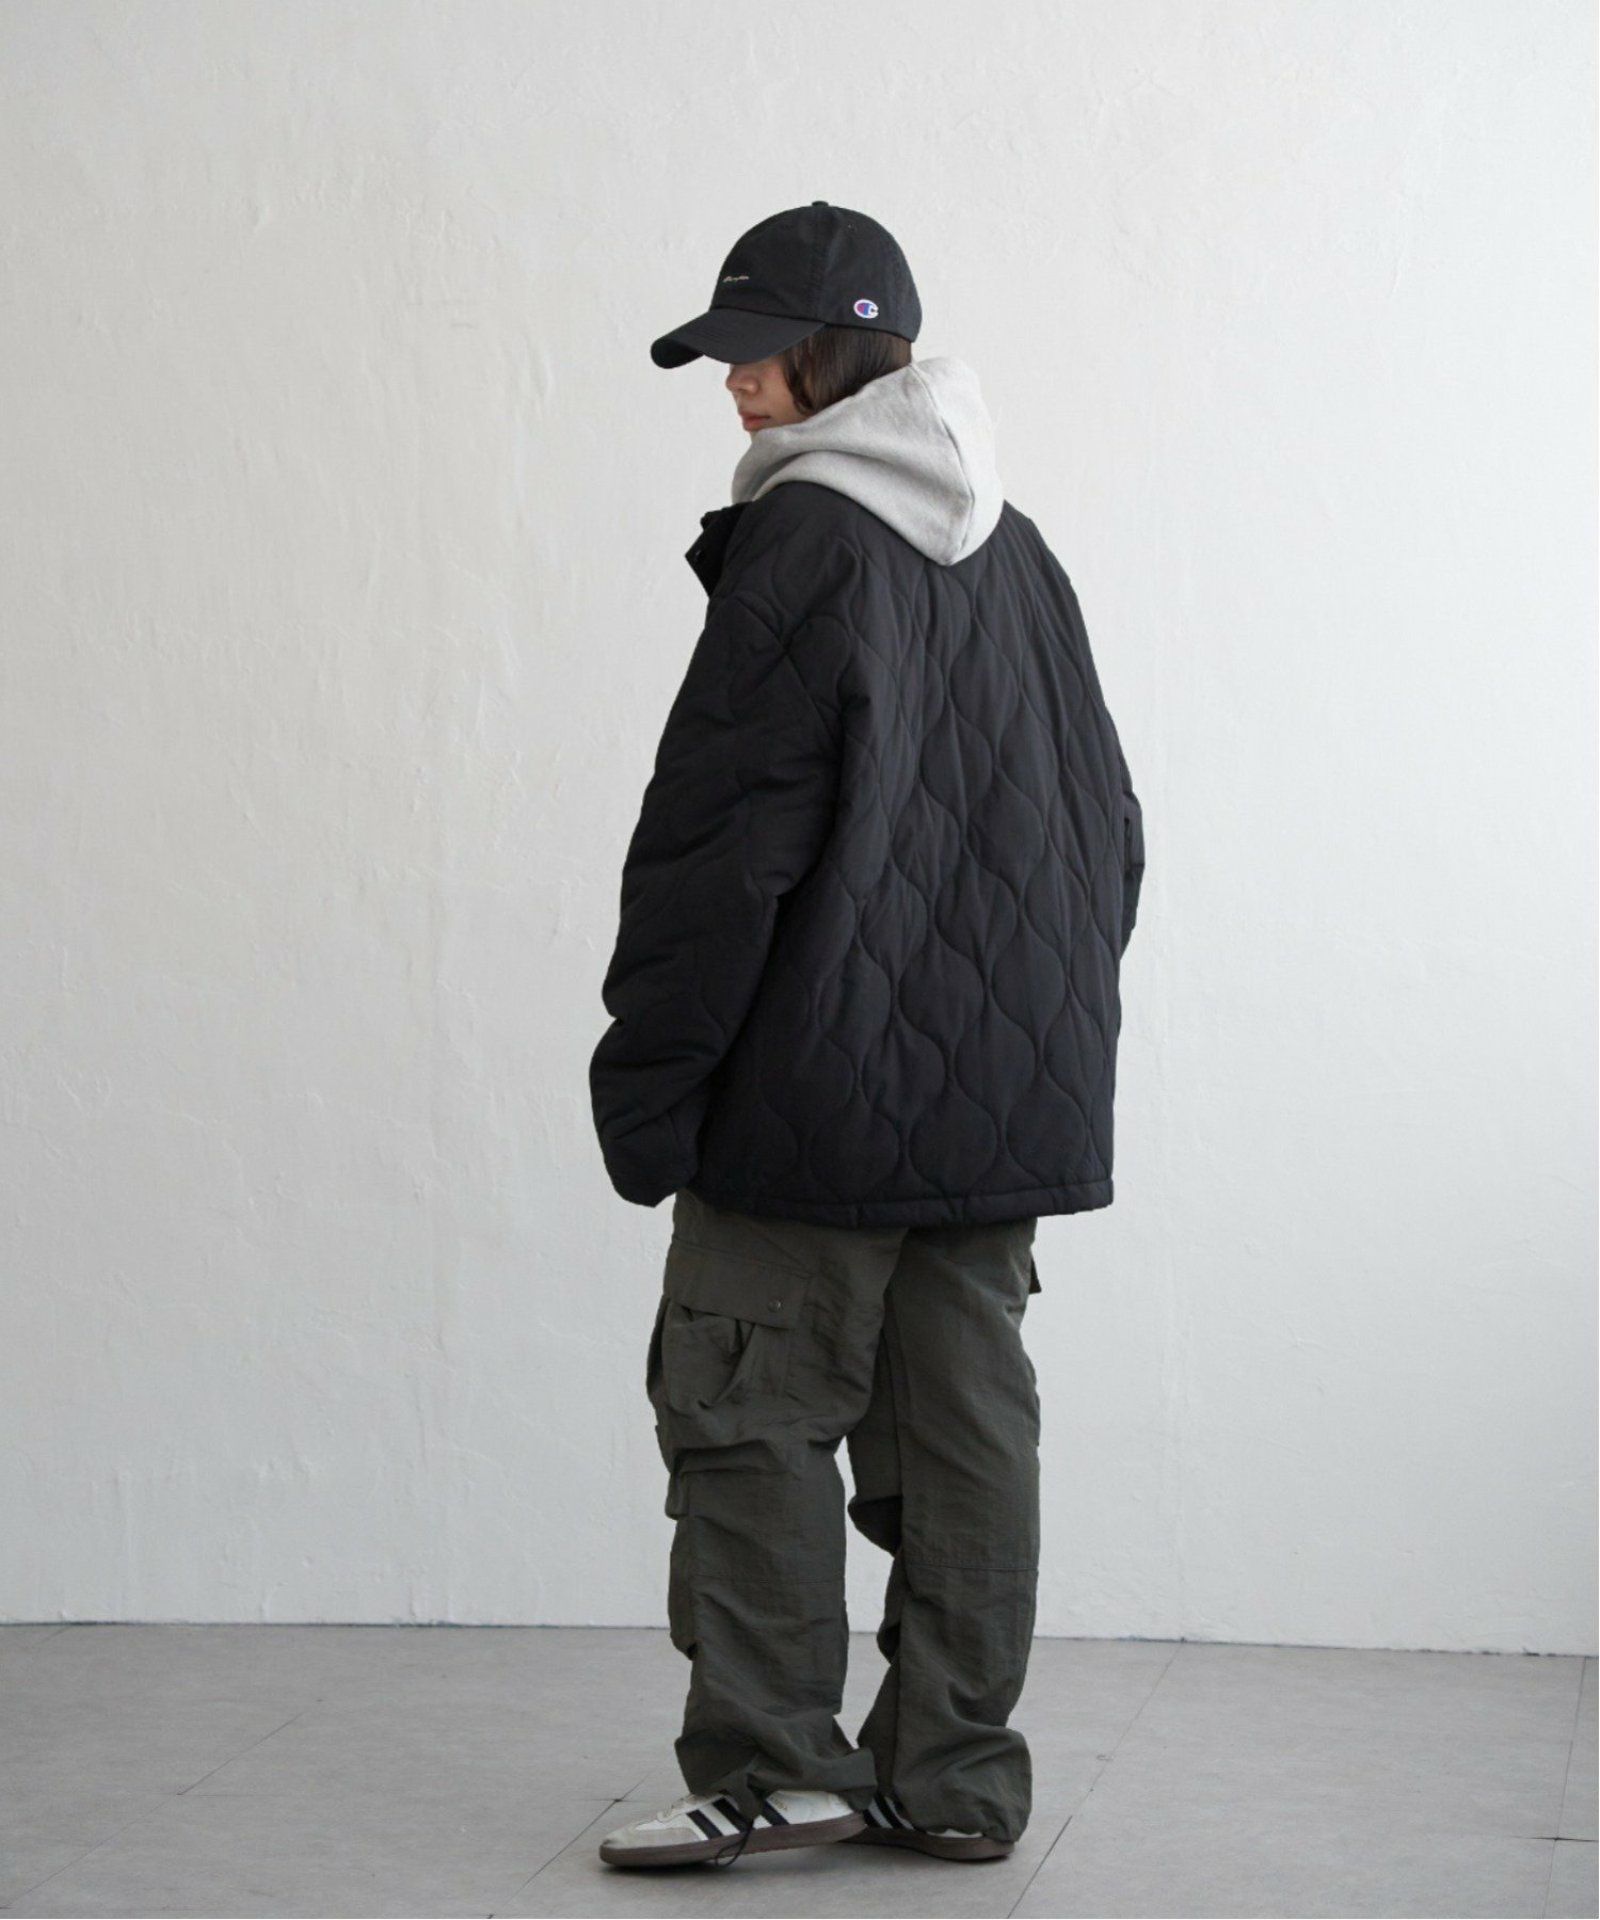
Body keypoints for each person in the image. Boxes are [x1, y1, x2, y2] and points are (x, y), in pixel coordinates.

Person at [588, 201, 1145, 1873]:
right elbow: (1110, 831)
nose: (736, 382)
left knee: (750, 1413)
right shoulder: (1021, 552)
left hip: (809, 1100)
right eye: (726, 356)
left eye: (761, 352)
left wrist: (650, 1078)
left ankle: (775, 1766)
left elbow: (720, 850)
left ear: (843, 352)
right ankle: (954, 1775)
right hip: (1002, 1108)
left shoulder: (805, 545)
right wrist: (1038, 1033)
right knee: (965, 1436)